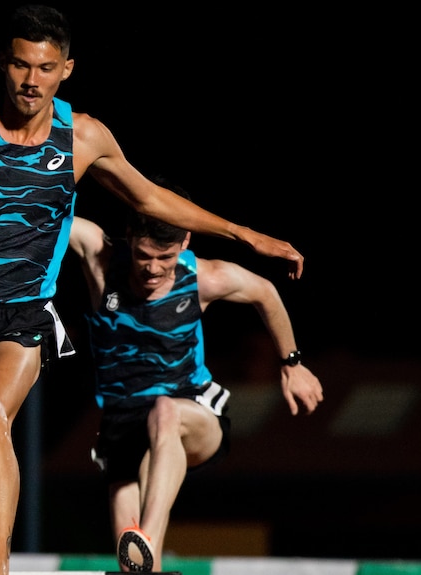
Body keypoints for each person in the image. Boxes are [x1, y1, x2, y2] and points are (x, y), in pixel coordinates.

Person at [0, 5, 304, 575]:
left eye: (44, 67)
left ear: (66, 70)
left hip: (17, 319)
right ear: (4, 64)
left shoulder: (84, 136)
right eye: (19, 65)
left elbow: (151, 199)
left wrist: (243, 233)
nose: (30, 80)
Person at [67, 180, 324, 572]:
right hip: (121, 424)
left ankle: (149, 537)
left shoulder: (204, 277)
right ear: (130, 237)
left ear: (185, 242)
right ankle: (144, 552)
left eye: (165, 257)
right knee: (132, 566)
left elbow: (266, 293)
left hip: (192, 414)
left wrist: (291, 363)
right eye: (143, 256)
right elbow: (49, 211)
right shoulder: (101, 257)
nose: (153, 269)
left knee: (165, 413)